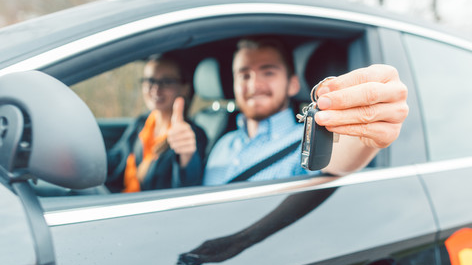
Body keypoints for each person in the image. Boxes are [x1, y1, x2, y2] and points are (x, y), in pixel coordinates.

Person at [203, 37, 408, 185]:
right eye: (244, 75)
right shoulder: (221, 144)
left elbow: (336, 160)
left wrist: (368, 132)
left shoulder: (306, 140)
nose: (254, 85)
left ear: (293, 84)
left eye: (268, 72)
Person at [106, 55, 207, 193]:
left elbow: (187, 189)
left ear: (184, 88)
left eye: (166, 82)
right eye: (150, 81)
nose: (155, 89)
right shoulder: (141, 123)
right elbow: (115, 159)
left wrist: (187, 157)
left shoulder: (191, 136)